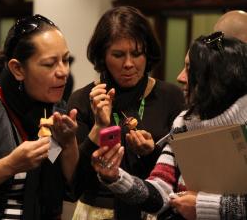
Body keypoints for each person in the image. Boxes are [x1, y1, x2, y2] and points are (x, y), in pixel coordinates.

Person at [91, 31, 247, 219]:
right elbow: (160, 192)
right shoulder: (184, 122)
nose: (180, 77)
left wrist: (203, 206)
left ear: (217, 80)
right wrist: (116, 177)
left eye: (190, 70)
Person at [66, 6, 184, 219]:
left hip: (153, 210)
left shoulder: (171, 96)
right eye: (118, 55)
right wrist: (97, 129)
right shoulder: (83, 100)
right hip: (97, 211)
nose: (129, 64)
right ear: (103, 57)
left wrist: (152, 153)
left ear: (148, 54)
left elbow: (184, 172)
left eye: (137, 54)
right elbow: (73, 185)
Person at [0, 14, 78, 220]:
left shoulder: (58, 110)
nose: (63, 72)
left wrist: (69, 144)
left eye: (66, 60)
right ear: (18, 69)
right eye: (50, 64)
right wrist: (10, 165)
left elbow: (74, 188)